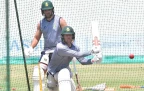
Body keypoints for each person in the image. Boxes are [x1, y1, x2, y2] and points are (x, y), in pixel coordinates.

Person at [24, 0, 67, 90]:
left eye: (49, 9)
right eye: (45, 10)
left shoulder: (60, 20)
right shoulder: (41, 23)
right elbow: (36, 37)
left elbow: (68, 35)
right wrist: (31, 47)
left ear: (52, 10)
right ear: (42, 11)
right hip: (46, 52)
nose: (47, 11)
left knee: (59, 78)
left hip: (58, 52)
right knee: (37, 73)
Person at [47, 26, 102, 91]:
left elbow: (82, 61)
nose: (68, 37)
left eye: (70, 35)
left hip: (64, 76)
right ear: (63, 37)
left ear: (73, 36)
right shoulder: (60, 47)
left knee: (65, 73)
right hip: (53, 75)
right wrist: (92, 51)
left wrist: (93, 60)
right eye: (66, 35)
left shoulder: (75, 48)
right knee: (64, 72)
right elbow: (78, 54)